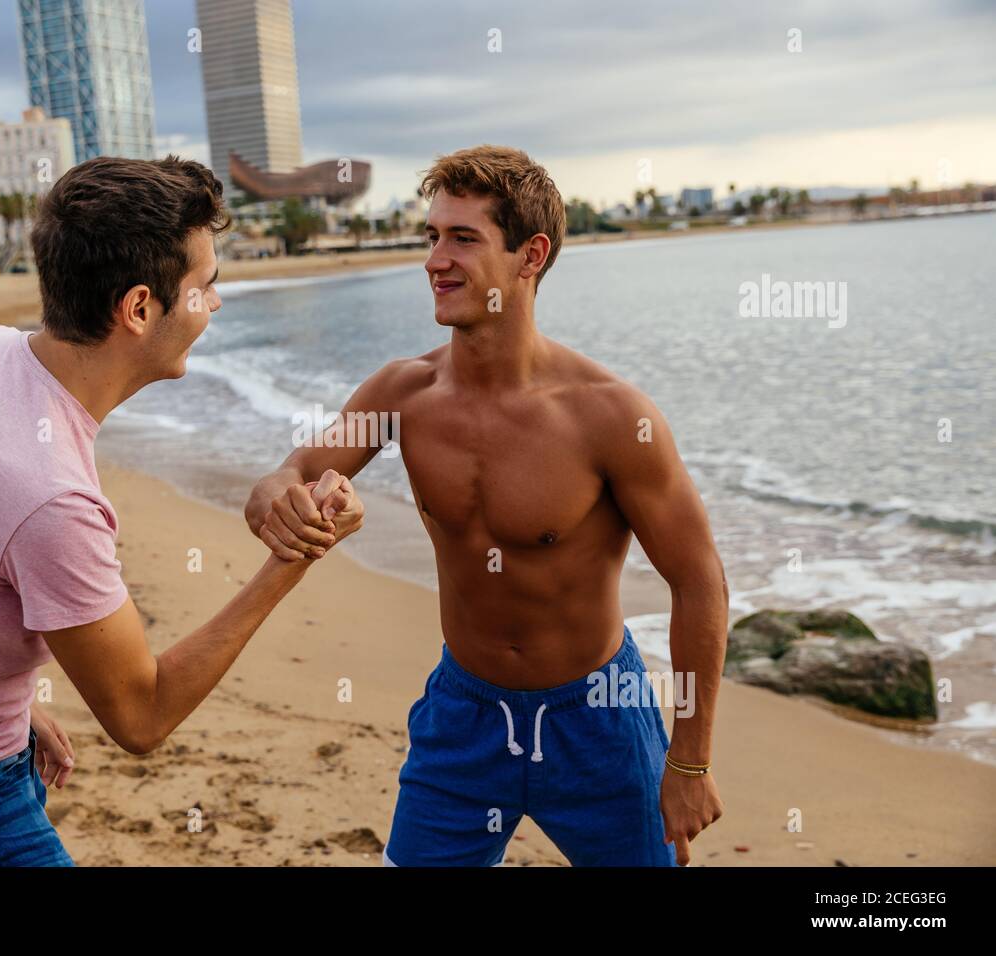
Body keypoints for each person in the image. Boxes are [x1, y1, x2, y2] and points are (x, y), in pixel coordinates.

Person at [0, 156, 362, 866]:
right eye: (206, 287)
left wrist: (7, 705)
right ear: (139, 308)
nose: (217, 304)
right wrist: (295, 555)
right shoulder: (49, 497)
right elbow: (143, 715)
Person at [245, 145, 726, 867]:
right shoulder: (401, 395)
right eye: (432, 236)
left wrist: (688, 763)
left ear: (530, 255)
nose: (436, 259)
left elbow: (699, 581)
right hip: (464, 718)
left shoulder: (608, 416)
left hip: (597, 719)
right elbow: (291, 472)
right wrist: (282, 499)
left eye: (463, 239)